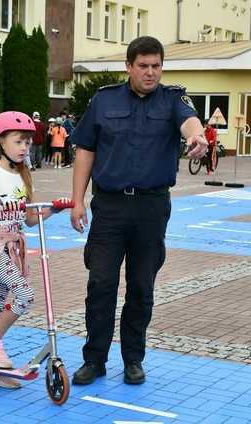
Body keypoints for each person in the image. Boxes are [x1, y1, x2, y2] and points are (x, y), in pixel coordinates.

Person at [69, 36, 208, 386]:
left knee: (141, 287)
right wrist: (77, 200)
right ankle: (94, 360)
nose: (150, 72)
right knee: (100, 283)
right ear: (129, 67)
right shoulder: (103, 100)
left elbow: (189, 122)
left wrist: (197, 138)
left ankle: (133, 359)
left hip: (151, 206)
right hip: (110, 207)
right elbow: (85, 150)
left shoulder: (173, 99)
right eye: (143, 66)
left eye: (156, 66)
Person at [0, 111, 71, 389]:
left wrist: (53, 209)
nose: (25, 147)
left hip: (11, 243)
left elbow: (31, 220)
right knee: (24, 294)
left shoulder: (25, 177)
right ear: (1, 142)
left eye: (27, 142)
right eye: (18, 141)